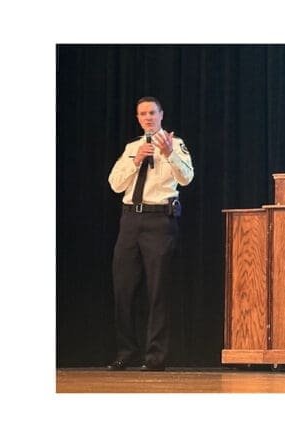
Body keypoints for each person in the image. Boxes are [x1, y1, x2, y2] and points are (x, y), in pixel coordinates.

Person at [106, 96, 194, 371]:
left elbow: (187, 177)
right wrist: (135, 162)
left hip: (159, 221)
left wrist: (168, 154)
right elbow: (115, 184)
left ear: (161, 115)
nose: (148, 117)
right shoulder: (133, 147)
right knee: (123, 287)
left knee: (158, 290)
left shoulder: (175, 144)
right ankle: (126, 351)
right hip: (131, 220)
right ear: (138, 117)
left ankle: (155, 357)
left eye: (152, 113)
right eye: (143, 113)